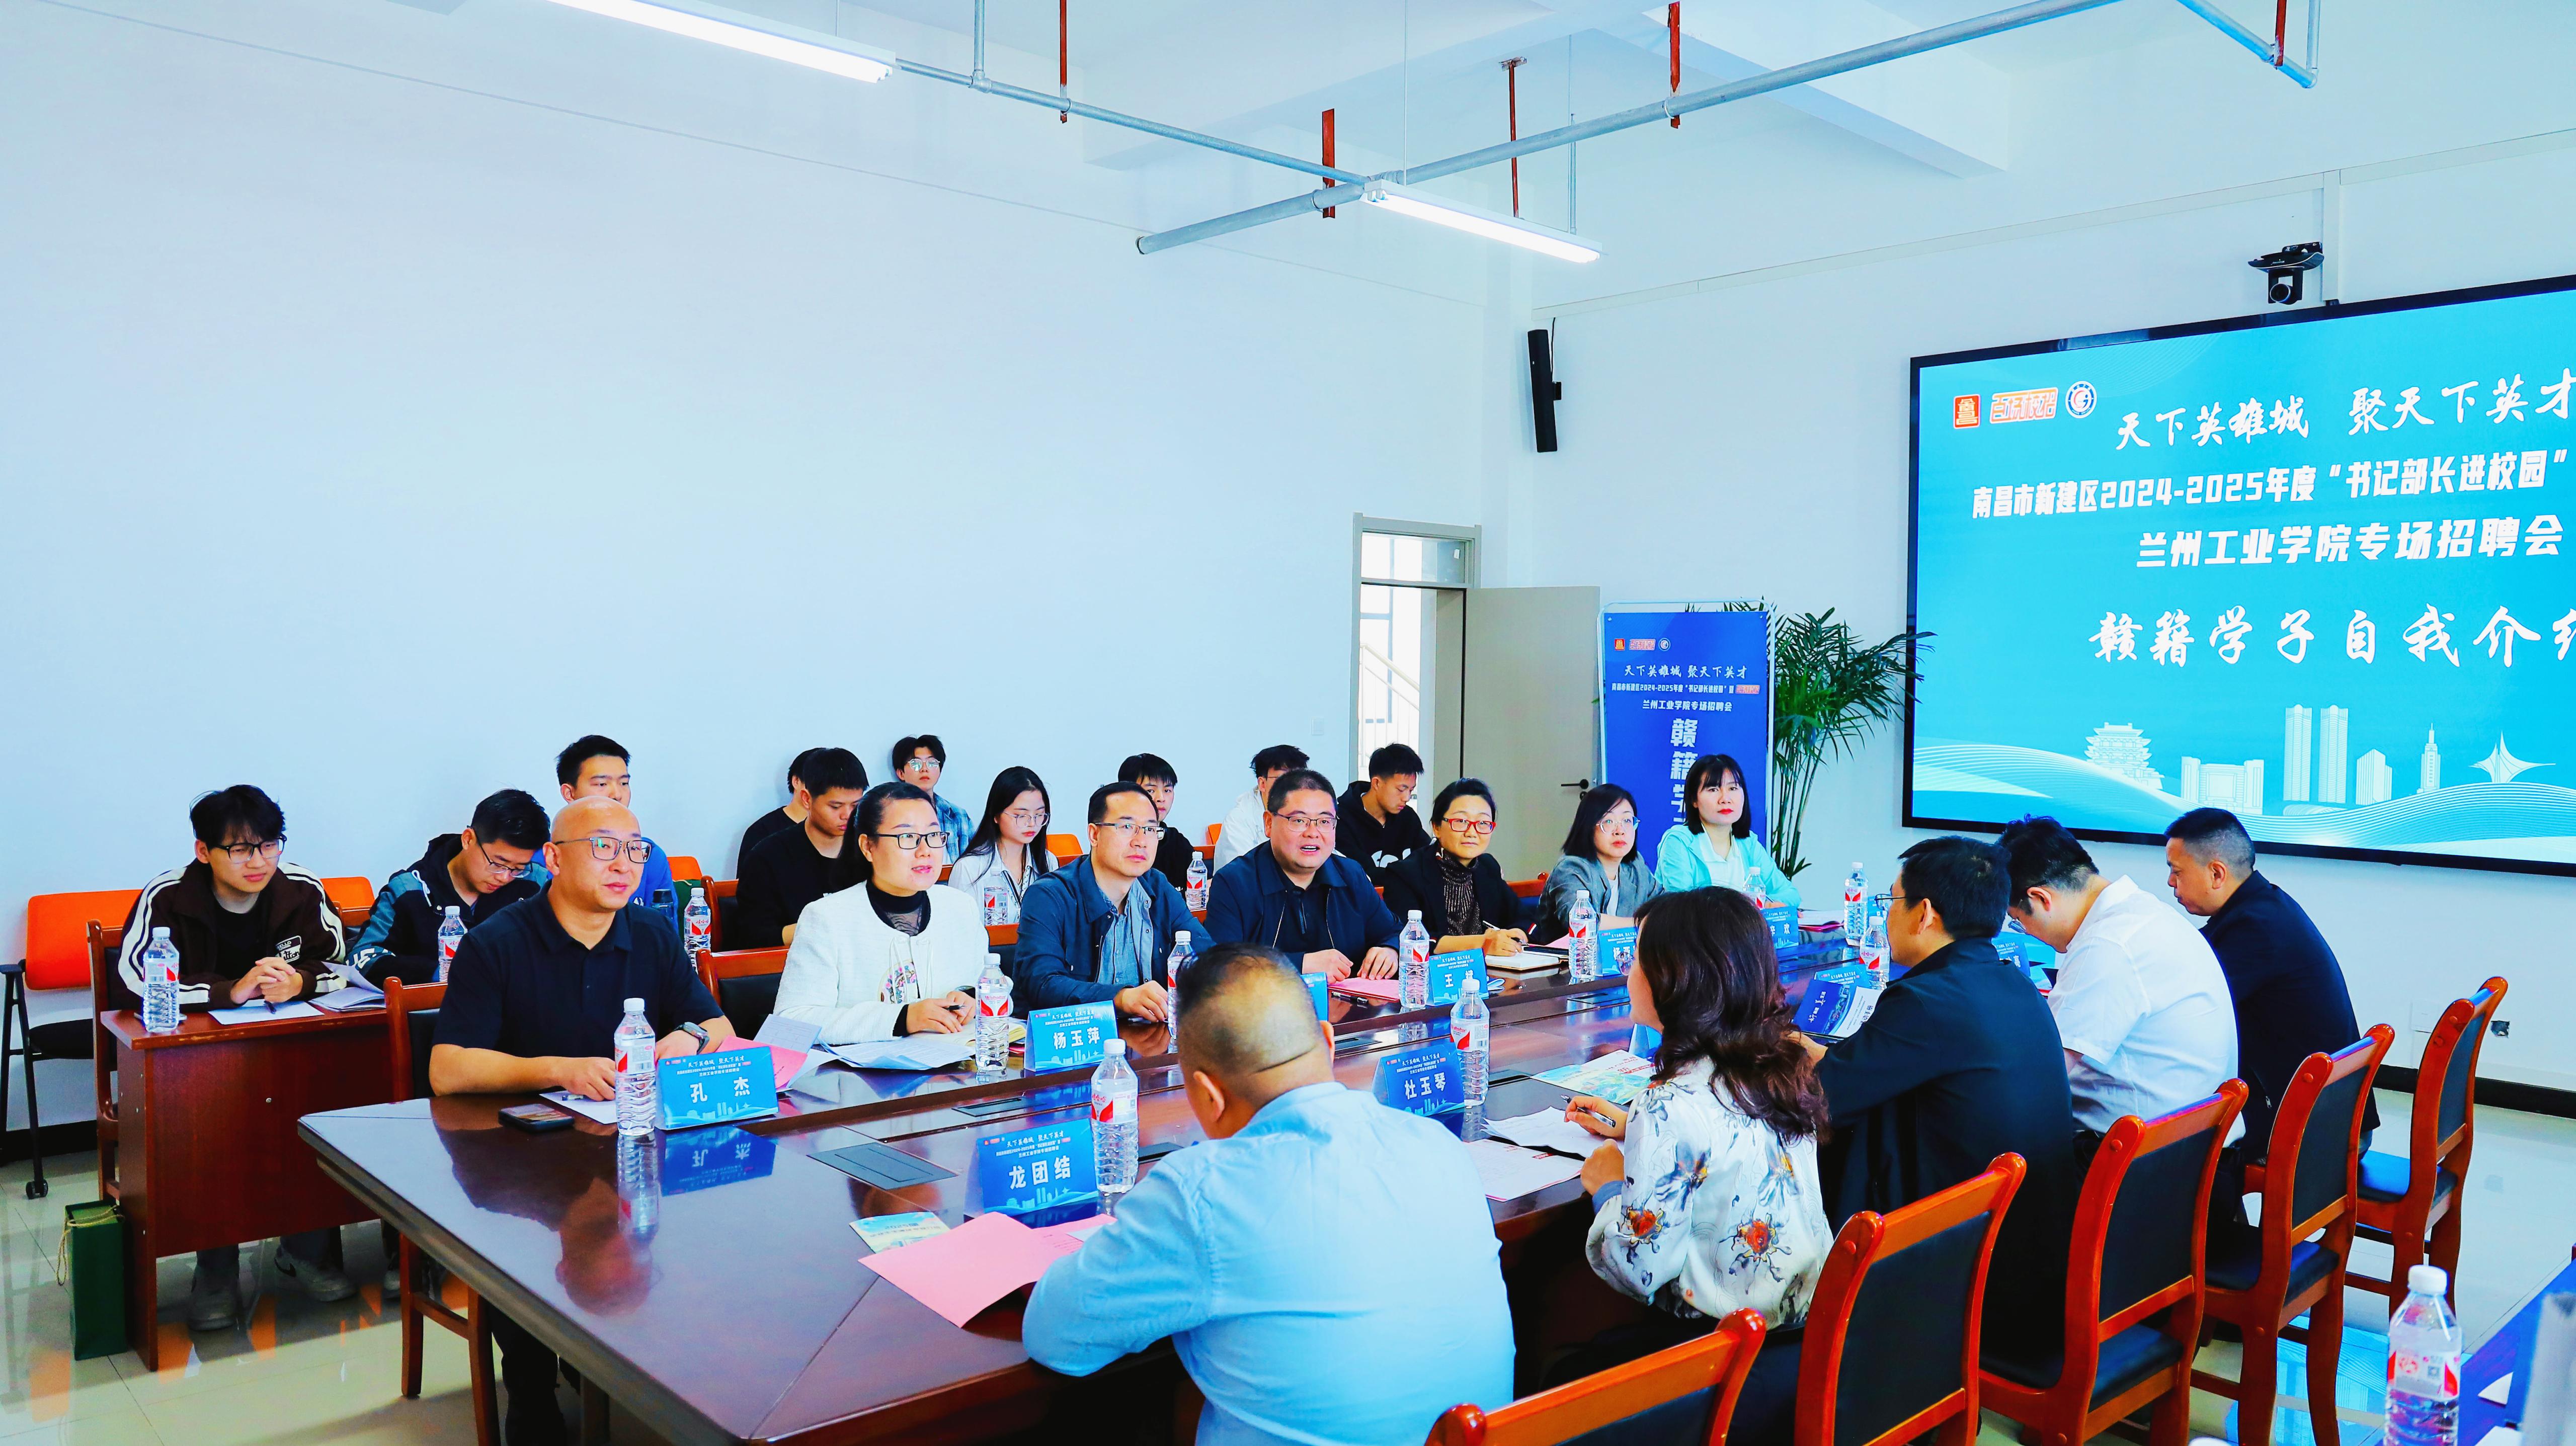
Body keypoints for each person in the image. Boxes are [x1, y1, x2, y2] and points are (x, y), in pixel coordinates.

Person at [1024, 944, 1514, 1445]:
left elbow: (1053, 1335)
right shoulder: (1437, 1143)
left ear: (1208, 1095)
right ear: (1328, 1041)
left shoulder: (1200, 1193)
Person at [430, 794, 731, 1446]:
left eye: (635, 850)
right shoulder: (496, 942)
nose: (623, 864)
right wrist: (558, 1069)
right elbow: (448, 1068)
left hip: (629, 1141)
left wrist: (688, 1036)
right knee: (515, 1248)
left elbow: (717, 1026)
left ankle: (643, 1375)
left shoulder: (651, 932)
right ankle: (531, 1386)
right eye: (603, 847)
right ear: (554, 857)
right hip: (517, 1153)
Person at [1552, 889, 1833, 1404]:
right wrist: (1635, 1129)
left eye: (1637, 957)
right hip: (1806, 1346)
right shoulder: (1779, 1069)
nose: (1628, 970)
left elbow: (1638, 1268)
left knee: (1558, 1373)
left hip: (1720, 1362)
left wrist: (1608, 1184)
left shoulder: (1668, 1104)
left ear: (1676, 978)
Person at [1808, 835, 2075, 1359]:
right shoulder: (2014, 984)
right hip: (2027, 1264)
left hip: (1959, 1289)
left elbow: (1821, 1100)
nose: (1885, 915)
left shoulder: (1925, 999)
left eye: (1890, 901)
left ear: (1925, 913)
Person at [114, 785, 355, 1330]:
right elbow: (133, 979)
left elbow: (344, 961)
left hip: (286, 1048)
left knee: (315, 1112)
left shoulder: (300, 888)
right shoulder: (168, 896)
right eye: (241, 849)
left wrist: (300, 981)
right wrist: (230, 992)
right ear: (204, 851)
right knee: (209, 1135)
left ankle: (306, 1250)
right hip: (196, 1060)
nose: (259, 861)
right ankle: (216, 1269)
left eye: (269, 845)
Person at [1996, 815, 2240, 1149]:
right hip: (2188, 1148)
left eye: (2018, 921)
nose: (2026, 931)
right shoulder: (2144, 914)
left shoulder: (2108, 944)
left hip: (2140, 1159)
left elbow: (2039, 1074)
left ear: (2041, 899)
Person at [2164, 807, 2374, 1150]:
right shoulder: (2261, 906)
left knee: (2167, 1140)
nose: (2171, 882)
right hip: (2327, 1109)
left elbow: (2181, 1008)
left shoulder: (2257, 927)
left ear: (2216, 873)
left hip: (2315, 1132)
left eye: (2177, 871)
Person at [773, 782, 984, 1043]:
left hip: (957, 1061)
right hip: (862, 1069)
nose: (925, 851)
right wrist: (903, 1018)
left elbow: (990, 983)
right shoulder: (827, 918)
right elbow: (792, 1021)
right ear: (868, 847)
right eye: (907, 837)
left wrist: (973, 998)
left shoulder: (961, 907)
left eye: (933, 835)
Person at [1014, 783, 1202, 1018]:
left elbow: (1205, 955)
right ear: (1094, 834)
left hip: (1149, 1036)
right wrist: (1120, 998)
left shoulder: (1157, 886)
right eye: (1127, 827)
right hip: (1074, 1037)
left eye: (1150, 829)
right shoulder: (1049, 896)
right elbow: (1042, 983)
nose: (1141, 841)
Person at [1202, 768, 1401, 982]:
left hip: (1348, 1002)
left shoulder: (1351, 875)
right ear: (1269, 823)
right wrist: (1301, 964)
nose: (1313, 833)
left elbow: (1394, 932)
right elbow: (1219, 967)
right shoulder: (1234, 882)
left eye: (1324, 822)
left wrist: (1390, 950)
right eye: (1298, 821)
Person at [350, 788, 551, 986]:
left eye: (518, 868)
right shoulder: (409, 890)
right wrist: (439, 973)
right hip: (435, 1006)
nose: (505, 877)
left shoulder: (535, 883)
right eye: (498, 864)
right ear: (468, 839)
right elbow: (363, 959)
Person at [732, 747, 866, 948]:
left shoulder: (869, 849)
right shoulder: (768, 857)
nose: (847, 815)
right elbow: (754, 936)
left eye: (855, 805)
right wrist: (820, 927)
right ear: (807, 799)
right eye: (835, 807)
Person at [1379, 779, 1529, 959]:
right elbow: (1408, 939)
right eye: (1461, 821)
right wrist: (1483, 943)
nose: (1472, 833)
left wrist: (1517, 935)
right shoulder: (1406, 874)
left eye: (1482, 823)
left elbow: (1524, 918)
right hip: (1432, 972)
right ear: (1437, 827)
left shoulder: (1488, 867)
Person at [1654, 753, 1799, 910]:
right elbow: (1681, 906)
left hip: (1743, 926)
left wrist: (1770, 905)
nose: (1725, 799)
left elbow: (1790, 894)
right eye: (1713, 789)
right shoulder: (1678, 842)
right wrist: (1747, 908)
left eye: (1733, 788)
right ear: (1694, 800)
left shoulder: (1748, 843)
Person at [556, 735, 676, 911]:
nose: (617, 795)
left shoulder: (648, 855)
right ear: (570, 793)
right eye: (602, 784)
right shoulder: (547, 857)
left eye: (624, 783)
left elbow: (665, 924)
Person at [1538, 783, 1663, 942]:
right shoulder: (1571, 868)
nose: (1620, 831)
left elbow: (1664, 906)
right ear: (1588, 827)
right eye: (1608, 822)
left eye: (1627, 820)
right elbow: (1580, 923)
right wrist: (1639, 923)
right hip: (1570, 956)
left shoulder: (1635, 866)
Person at [946, 766, 1056, 925]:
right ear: (996, 815)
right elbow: (960, 931)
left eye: (1039, 815)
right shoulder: (969, 868)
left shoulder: (1049, 861)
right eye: (1021, 815)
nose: (1032, 823)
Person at [738, 747, 854, 872]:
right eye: (835, 806)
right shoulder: (763, 832)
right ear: (796, 781)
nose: (846, 815)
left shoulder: (852, 830)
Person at [1334, 743, 1431, 882]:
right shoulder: (1341, 821)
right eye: (1401, 790)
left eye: (1411, 790)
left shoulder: (1408, 817)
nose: (1407, 798)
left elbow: (1428, 860)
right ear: (1377, 783)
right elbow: (1361, 875)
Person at [1212, 743, 1307, 870]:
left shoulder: (1312, 813)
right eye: (1283, 779)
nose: (1293, 786)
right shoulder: (1239, 819)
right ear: (1262, 784)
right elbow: (1241, 872)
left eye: (1298, 778)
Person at [1118, 752, 1200, 887]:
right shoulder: (1118, 839)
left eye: (1167, 790)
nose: (1161, 798)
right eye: (1151, 791)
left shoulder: (1175, 840)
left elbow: (1203, 883)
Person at [892, 734, 976, 861]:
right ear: (901, 773)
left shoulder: (958, 815)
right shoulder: (891, 814)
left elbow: (974, 863)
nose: (925, 769)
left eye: (932, 763)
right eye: (916, 764)